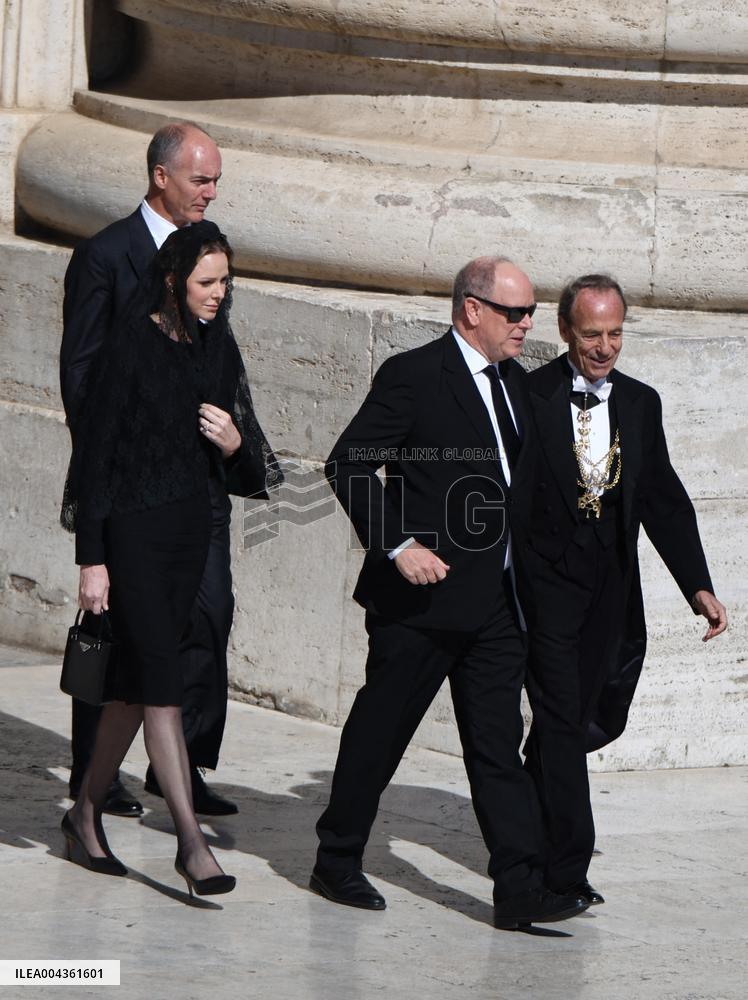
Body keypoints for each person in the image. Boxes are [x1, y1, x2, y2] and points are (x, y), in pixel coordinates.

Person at [311, 257, 589, 929]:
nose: (527, 324)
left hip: (498, 605)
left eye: (529, 312)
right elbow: (347, 463)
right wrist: (399, 545)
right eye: (514, 312)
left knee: (496, 747)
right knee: (380, 736)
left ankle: (520, 889)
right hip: (419, 605)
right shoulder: (413, 376)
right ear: (471, 308)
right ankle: (337, 859)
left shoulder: (520, 388)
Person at [60, 222, 280, 894]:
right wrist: (91, 561)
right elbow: (95, 461)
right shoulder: (129, 346)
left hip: (190, 538)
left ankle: (85, 814)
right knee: (161, 690)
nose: (218, 295)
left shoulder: (214, 347)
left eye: (224, 282)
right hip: (131, 539)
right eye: (206, 283)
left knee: (132, 688)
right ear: (172, 280)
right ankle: (191, 845)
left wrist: (235, 439)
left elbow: (251, 468)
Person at [523, 273, 727, 906]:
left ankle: (536, 796)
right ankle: (565, 868)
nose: (605, 347)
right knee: (560, 721)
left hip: (611, 591)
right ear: (565, 332)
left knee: (594, 715)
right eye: (592, 335)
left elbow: (663, 499)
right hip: (546, 590)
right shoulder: (528, 397)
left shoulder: (641, 403)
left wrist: (697, 584)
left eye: (614, 333)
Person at [61, 122, 239, 817]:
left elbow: (220, 355)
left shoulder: (210, 254)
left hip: (197, 484)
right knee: (117, 632)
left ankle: (179, 766)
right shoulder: (106, 255)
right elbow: (81, 376)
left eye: (216, 179)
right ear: (160, 175)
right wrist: (111, 477)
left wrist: (229, 438)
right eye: (200, 178)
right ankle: (93, 779)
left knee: (209, 614)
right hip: (130, 489)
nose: (211, 191)